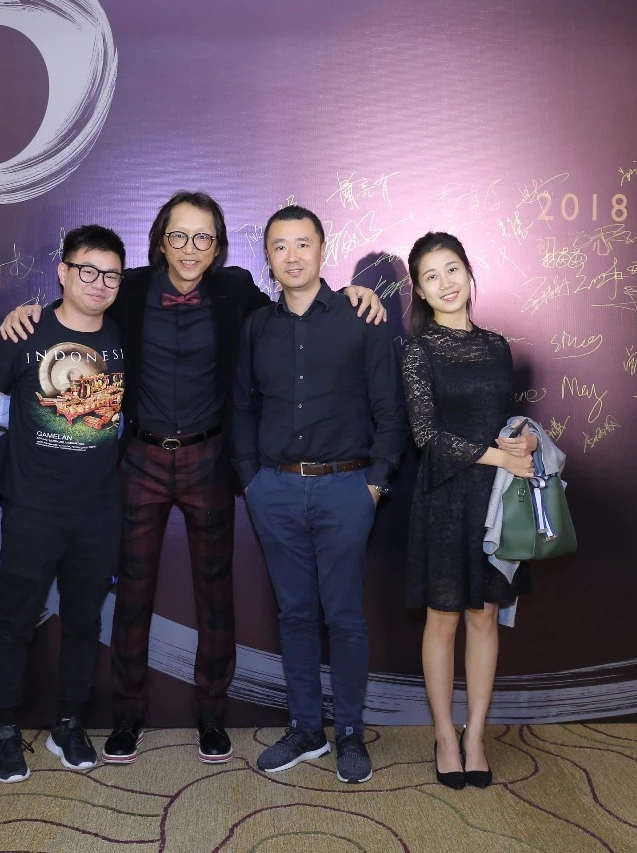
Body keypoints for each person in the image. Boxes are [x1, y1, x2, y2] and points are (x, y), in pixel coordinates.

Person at [0, 192, 386, 764]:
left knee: (215, 595)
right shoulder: (129, 289)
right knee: (132, 594)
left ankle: (211, 715)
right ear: (161, 240)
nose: (189, 248)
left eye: (203, 237)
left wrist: (354, 293)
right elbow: (78, 302)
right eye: (178, 235)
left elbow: (299, 303)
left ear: (218, 246)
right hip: (141, 456)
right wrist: (26, 311)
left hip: (209, 457)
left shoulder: (235, 290)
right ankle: (127, 715)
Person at [233, 204, 407, 784]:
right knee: (296, 614)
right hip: (275, 490)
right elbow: (241, 406)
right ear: (268, 257)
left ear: (322, 249)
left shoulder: (360, 318)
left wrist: (375, 483)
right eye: (280, 246)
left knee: (345, 616)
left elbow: (389, 409)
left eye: (302, 244)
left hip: (347, 489)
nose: (292, 256)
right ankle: (306, 728)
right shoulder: (257, 326)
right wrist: (251, 480)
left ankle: (350, 733)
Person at [0, 225, 127, 780]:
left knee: (85, 623)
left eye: (110, 274)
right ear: (63, 272)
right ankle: (5, 729)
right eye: (87, 270)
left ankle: (69, 722)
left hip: (98, 511)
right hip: (33, 509)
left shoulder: (122, 337)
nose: (98, 282)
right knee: (14, 621)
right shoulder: (26, 331)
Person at [400, 231, 536, 791]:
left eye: (452, 269)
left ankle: (475, 735)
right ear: (420, 291)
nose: (445, 283)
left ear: (469, 272)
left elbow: (502, 418)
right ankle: (444, 735)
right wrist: (496, 456)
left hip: (495, 501)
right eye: (431, 276)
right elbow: (426, 435)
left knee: (484, 616)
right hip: (444, 498)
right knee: (444, 618)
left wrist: (524, 439)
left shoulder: (498, 345)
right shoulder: (418, 350)